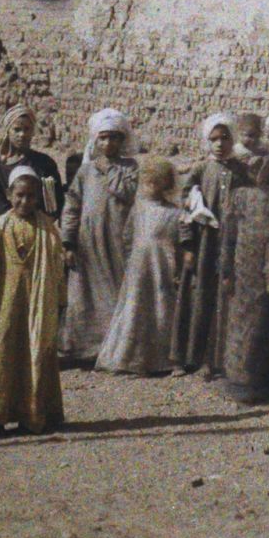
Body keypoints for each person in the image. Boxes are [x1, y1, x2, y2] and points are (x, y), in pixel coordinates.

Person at [0, 166, 68, 438]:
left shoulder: (47, 230)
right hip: (4, 302)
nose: (25, 202)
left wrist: (59, 300)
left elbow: (58, 270)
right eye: (20, 195)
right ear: (9, 194)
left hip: (36, 302)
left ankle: (31, 414)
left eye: (31, 196)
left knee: (34, 352)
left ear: (39, 198)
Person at [171, 112, 251, 378]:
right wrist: (188, 246)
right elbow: (185, 209)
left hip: (233, 244)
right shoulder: (200, 170)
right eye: (214, 139)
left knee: (226, 298)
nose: (219, 144)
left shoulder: (243, 170)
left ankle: (222, 359)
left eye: (225, 138)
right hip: (205, 244)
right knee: (200, 296)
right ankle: (193, 356)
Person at [59, 108, 141, 364]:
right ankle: (83, 349)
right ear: (95, 140)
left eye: (114, 138)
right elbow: (72, 207)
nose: (108, 143)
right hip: (88, 242)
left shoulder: (130, 168)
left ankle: (113, 349)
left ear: (123, 140)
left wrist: (110, 172)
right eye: (103, 138)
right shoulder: (85, 172)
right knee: (84, 294)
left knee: (116, 291)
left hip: (117, 240)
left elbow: (129, 194)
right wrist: (68, 242)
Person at [96, 156, 181, 376]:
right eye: (148, 182)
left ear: (166, 184)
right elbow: (127, 236)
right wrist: (130, 260)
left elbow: (178, 242)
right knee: (135, 310)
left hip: (161, 267)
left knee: (161, 310)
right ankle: (129, 359)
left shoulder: (174, 212)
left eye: (157, 182)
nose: (152, 187)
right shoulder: (139, 208)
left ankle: (161, 361)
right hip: (139, 267)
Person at [214, 151, 269, 404]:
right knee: (243, 323)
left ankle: (267, 380)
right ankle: (241, 381)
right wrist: (226, 271)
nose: (262, 173)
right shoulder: (239, 197)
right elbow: (228, 238)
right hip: (244, 272)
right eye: (257, 168)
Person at [0, 104, 65, 221]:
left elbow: (52, 205)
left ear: (32, 131)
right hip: (4, 228)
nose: (22, 134)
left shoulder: (44, 164)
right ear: (8, 131)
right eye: (17, 129)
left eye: (27, 129)